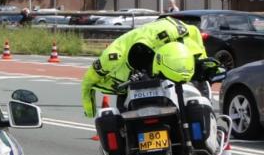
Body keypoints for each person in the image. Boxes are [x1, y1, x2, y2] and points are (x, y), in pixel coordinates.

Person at [81, 16, 213, 118]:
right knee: (122, 117)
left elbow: (196, 40)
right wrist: (90, 110)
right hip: (130, 85)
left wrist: (205, 67)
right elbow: (87, 82)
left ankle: (205, 118)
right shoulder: (112, 56)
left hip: (169, 50)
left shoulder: (175, 33)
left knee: (198, 91)